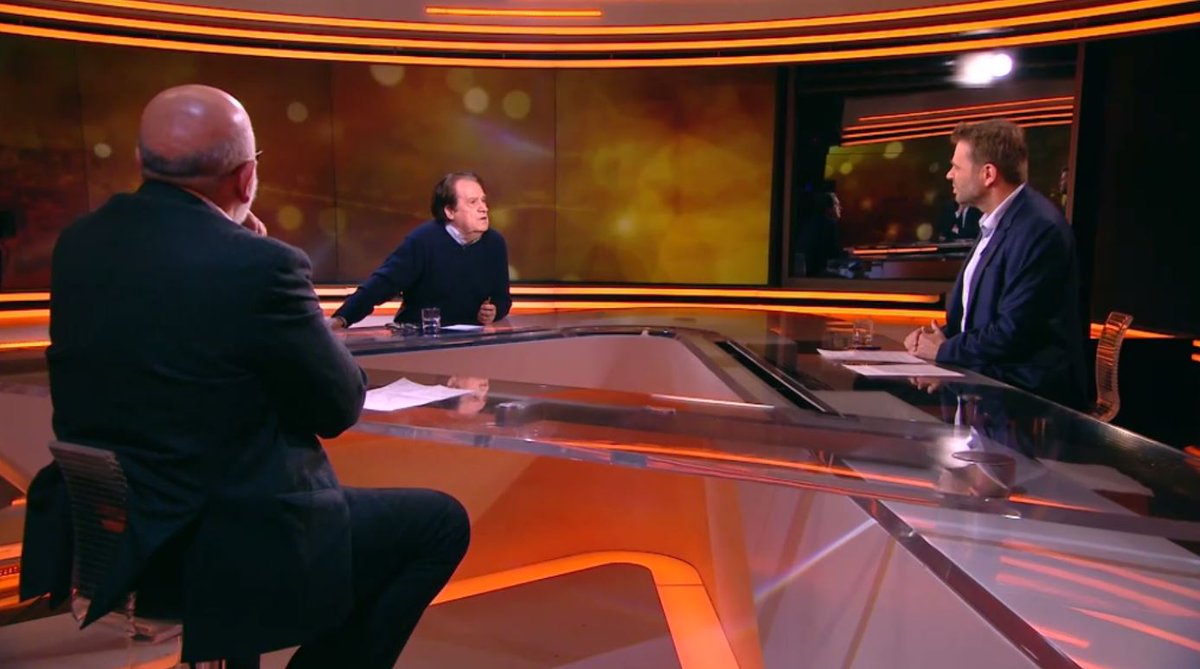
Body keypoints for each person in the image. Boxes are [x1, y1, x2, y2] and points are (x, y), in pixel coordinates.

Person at [18, 84, 469, 669]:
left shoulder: (80, 245)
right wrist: (272, 275)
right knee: (440, 525)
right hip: (229, 538)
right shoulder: (260, 265)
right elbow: (338, 406)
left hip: (120, 529)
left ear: (142, 163)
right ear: (246, 178)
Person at [905, 119, 1087, 410]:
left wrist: (945, 349)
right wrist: (938, 338)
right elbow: (982, 319)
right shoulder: (996, 223)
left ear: (988, 174)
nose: (949, 175)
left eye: (956, 167)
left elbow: (1013, 330)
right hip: (987, 391)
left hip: (1028, 404)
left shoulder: (1037, 228)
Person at [329, 172, 512, 329]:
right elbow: (382, 285)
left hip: (472, 342)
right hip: (419, 338)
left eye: (483, 201)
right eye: (473, 202)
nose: (484, 208)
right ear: (449, 211)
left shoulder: (494, 243)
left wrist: (494, 311)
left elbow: (502, 298)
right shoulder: (423, 240)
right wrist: (342, 318)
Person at [793, 191, 843, 277]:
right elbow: (834, 254)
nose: (840, 208)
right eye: (837, 205)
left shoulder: (808, 222)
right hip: (817, 273)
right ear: (827, 208)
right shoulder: (830, 224)